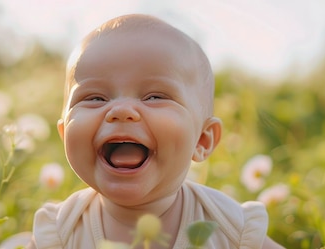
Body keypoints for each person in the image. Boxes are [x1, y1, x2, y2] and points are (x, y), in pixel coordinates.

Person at [27, 14, 284, 249]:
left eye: (154, 96)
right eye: (95, 98)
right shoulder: (60, 234)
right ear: (64, 136)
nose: (121, 110)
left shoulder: (229, 228)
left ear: (202, 140)